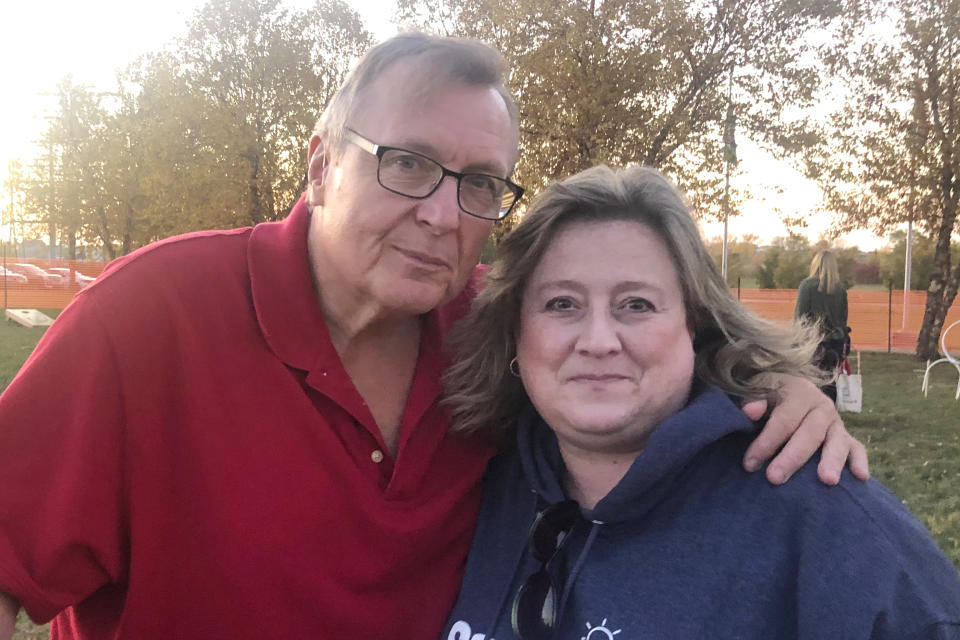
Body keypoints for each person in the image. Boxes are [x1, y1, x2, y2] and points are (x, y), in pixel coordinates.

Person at [0, 35, 867, 640]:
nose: (443, 215)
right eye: (407, 162)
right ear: (320, 165)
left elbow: (637, 353)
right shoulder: (150, 316)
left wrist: (777, 386)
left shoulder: (491, 331)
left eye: (481, 182)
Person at [441, 165, 960, 640]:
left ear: (695, 324)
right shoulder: (474, 484)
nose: (598, 339)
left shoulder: (832, 527)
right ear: (516, 332)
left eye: (636, 304)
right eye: (562, 304)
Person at [795, 250, 849, 401]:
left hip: (813, 340)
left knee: (811, 379)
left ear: (816, 264)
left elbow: (801, 316)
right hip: (836, 341)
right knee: (830, 381)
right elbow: (843, 318)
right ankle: (830, 410)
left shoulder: (807, 286)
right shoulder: (840, 289)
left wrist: (797, 339)